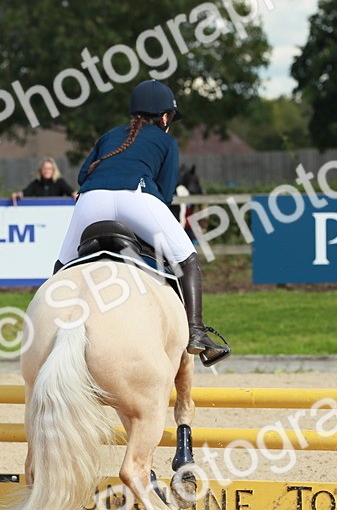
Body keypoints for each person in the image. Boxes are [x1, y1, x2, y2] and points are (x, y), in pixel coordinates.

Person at [54, 80, 229, 364]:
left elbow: (82, 175)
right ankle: (196, 332)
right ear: (165, 117)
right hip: (136, 196)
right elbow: (167, 193)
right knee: (187, 258)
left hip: (91, 200)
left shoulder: (109, 136)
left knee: (62, 266)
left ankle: (51, 326)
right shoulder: (167, 141)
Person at [11, 157, 75, 204]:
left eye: (49, 169)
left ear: (53, 170)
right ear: (40, 170)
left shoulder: (59, 182)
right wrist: (17, 195)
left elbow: (70, 191)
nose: (47, 171)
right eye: (44, 168)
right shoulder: (36, 183)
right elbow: (26, 192)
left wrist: (74, 194)